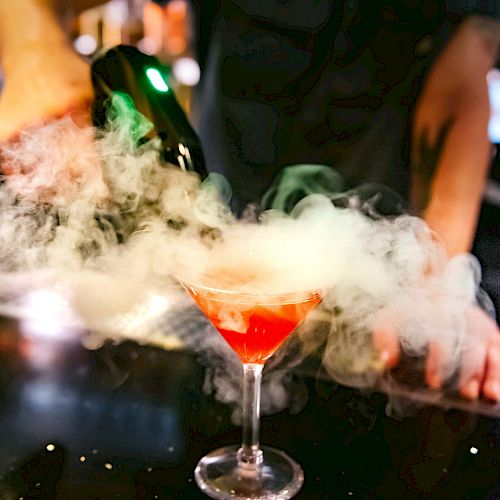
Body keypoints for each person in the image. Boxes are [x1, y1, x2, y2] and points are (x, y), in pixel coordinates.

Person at [0, 0, 499, 401]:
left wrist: (437, 278)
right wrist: (35, 56)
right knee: (211, 415)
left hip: (374, 279)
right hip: (217, 237)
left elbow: (462, 69)